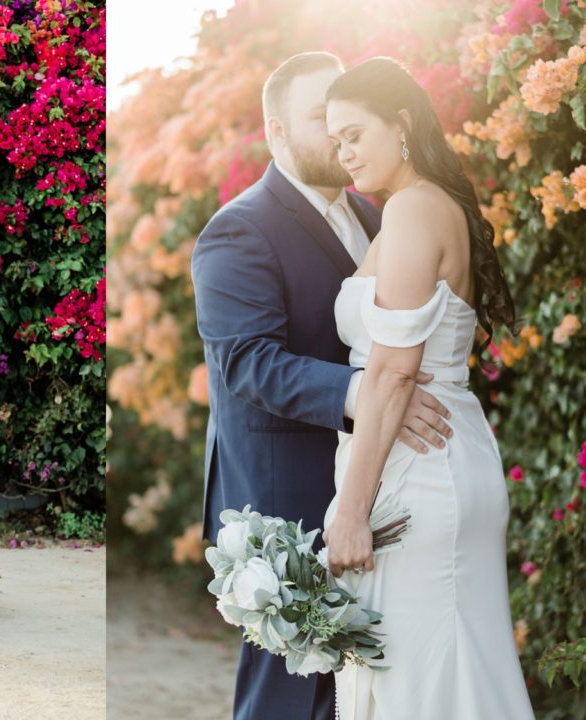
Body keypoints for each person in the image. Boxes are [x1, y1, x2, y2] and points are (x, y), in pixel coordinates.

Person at [191, 52, 453, 719]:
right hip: (284, 497)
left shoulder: (373, 217)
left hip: (368, 486)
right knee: (288, 695)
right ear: (276, 132)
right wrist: (368, 393)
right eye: (317, 119)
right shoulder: (238, 229)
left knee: (354, 691)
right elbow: (247, 362)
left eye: (343, 120)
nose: (336, 135)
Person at [321, 57, 534, 719]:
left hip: (419, 471)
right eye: (335, 142)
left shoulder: (413, 209)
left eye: (355, 133)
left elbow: (393, 370)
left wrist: (350, 511)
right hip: (438, 456)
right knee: (445, 673)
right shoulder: (429, 207)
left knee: (418, 683)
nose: (344, 153)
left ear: (402, 123)